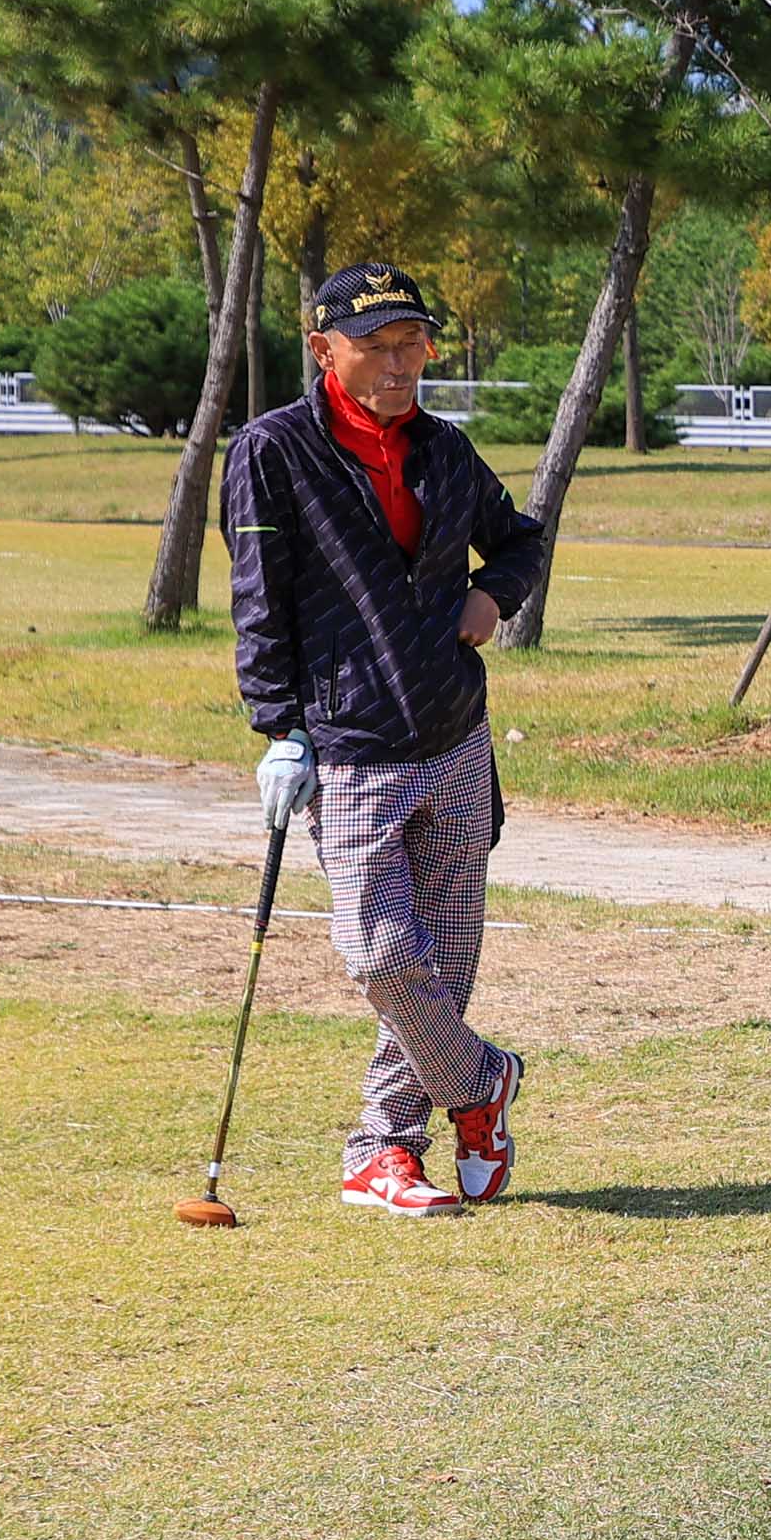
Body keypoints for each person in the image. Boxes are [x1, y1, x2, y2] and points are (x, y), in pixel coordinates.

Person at [224, 264, 547, 1218]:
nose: (400, 362)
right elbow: (259, 601)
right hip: (349, 744)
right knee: (380, 957)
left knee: (442, 967)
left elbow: (520, 539)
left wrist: (495, 596)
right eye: (377, 345)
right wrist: (278, 728)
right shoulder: (271, 451)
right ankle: (481, 1086)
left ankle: (383, 1152)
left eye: (414, 342)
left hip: (454, 733)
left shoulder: (446, 451)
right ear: (324, 349)